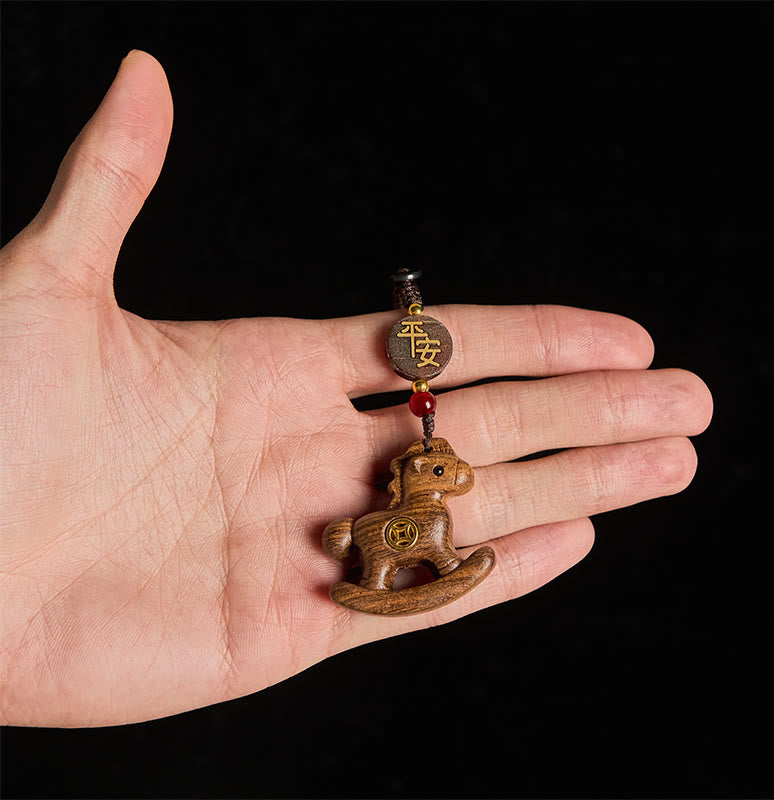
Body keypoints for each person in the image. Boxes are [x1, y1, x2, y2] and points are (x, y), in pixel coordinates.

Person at [0, 51, 713, 727]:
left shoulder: (421, 455)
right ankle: (377, 582)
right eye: (437, 468)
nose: (449, 469)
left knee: (433, 542)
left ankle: (408, 575)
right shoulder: (404, 478)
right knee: (412, 549)